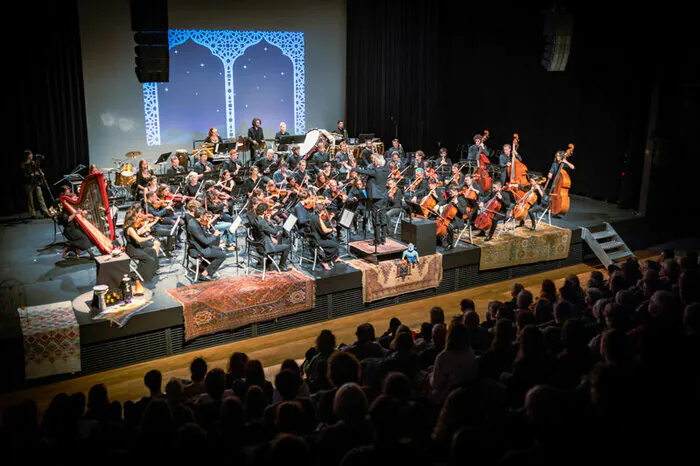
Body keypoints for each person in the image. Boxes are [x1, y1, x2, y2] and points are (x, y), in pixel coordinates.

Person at [351, 155, 390, 245]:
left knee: (375, 219)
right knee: (382, 217)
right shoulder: (386, 170)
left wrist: (352, 168)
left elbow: (363, 171)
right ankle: (383, 239)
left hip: (376, 198)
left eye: (375, 161)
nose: (374, 162)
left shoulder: (376, 171)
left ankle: (377, 240)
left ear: (378, 162)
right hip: (384, 197)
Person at [186, 206, 227, 280]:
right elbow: (205, 241)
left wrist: (207, 225)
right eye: (205, 216)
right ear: (201, 216)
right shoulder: (194, 226)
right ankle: (206, 274)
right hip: (198, 249)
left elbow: (201, 235)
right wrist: (214, 235)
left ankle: (201, 267)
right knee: (222, 255)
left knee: (219, 250)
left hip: (198, 246)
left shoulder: (194, 221)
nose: (206, 217)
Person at [123, 206, 160, 282]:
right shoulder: (129, 228)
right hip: (132, 250)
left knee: (152, 251)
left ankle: (153, 270)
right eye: (135, 218)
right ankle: (146, 277)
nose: (137, 219)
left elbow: (137, 233)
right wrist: (148, 238)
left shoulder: (132, 227)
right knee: (149, 259)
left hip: (136, 247)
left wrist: (144, 227)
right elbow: (139, 239)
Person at [250, 202, 291, 271]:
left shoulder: (255, 219)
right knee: (287, 246)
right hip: (265, 248)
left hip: (259, 245)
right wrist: (269, 221)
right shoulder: (262, 223)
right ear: (265, 212)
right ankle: (282, 266)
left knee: (275, 241)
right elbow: (274, 232)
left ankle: (268, 262)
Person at [56, 193, 97, 259]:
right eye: (74, 198)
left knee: (87, 235)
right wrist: (76, 213)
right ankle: (91, 255)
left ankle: (71, 248)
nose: (76, 199)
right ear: (69, 199)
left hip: (75, 228)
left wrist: (83, 213)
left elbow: (78, 217)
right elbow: (67, 220)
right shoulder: (65, 209)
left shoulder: (72, 207)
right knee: (84, 238)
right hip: (69, 230)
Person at [309, 204, 342, 270]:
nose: (325, 212)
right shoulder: (318, 219)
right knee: (336, 245)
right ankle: (325, 261)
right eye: (324, 210)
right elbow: (325, 230)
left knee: (333, 239)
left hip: (314, 238)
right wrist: (332, 229)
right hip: (317, 240)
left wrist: (330, 219)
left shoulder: (313, 216)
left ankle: (335, 257)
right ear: (321, 211)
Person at [21, 150, 50, 219]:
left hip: (35, 182)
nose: (31, 156)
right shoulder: (23, 165)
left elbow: (38, 170)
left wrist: (40, 174)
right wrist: (33, 174)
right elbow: (24, 176)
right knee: (30, 199)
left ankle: (45, 212)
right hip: (28, 184)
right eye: (30, 154)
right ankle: (32, 214)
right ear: (27, 156)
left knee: (40, 197)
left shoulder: (33, 163)